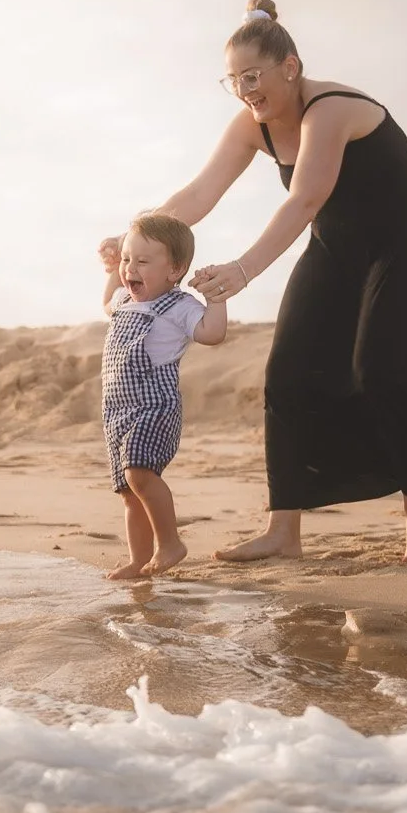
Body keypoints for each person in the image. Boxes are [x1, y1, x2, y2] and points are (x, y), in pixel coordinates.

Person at [146, 0, 407, 565]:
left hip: (404, 239)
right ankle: (284, 531)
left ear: (291, 66)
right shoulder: (250, 124)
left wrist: (242, 270)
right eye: (232, 80)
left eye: (253, 76)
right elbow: (199, 193)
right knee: (287, 370)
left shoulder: (328, 110)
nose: (245, 90)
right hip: (338, 241)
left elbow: (306, 197)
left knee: (383, 368)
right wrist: (142, 233)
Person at [99, 213, 228, 580]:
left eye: (142, 261)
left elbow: (211, 333)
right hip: (117, 410)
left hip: (155, 405)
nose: (129, 269)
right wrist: (111, 268)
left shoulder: (179, 305)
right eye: (126, 259)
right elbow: (107, 301)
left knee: (140, 473)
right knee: (128, 490)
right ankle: (139, 560)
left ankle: (170, 543)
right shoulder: (124, 299)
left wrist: (215, 297)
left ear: (175, 270)